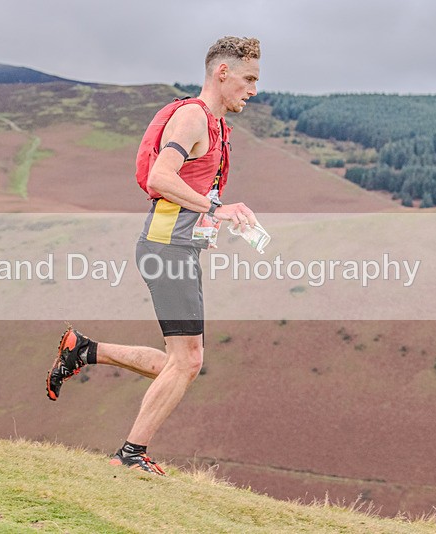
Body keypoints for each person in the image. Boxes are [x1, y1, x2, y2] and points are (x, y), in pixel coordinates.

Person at [47, 36, 261, 475]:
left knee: (179, 363)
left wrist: (210, 220)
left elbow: (189, 191)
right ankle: (130, 455)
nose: (253, 90)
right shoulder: (192, 118)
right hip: (166, 249)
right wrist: (218, 208)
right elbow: (162, 178)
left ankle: (84, 351)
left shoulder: (216, 126)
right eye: (248, 78)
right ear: (222, 72)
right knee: (189, 361)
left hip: (176, 246)